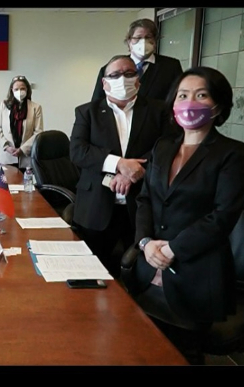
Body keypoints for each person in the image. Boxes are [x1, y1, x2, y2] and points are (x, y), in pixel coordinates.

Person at [130, 67, 244, 364]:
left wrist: (172, 248)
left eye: (201, 95)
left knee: (181, 356)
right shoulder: (163, 146)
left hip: (195, 276)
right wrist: (145, 242)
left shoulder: (231, 153)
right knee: (138, 349)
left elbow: (223, 216)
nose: (189, 101)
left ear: (217, 105)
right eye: (183, 95)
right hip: (147, 271)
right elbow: (145, 198)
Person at [69, 55, 172, 272]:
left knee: (139, 273)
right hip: (95, 207)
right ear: (104, 83)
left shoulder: (158, 110)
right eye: (115, 75)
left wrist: (132, 173)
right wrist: (118, 164)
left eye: (128, 73)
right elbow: (78, 151)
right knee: (91, 273)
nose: (122, 79)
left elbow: (167, 148)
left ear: (138, 80)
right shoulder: (87, 112)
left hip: (142, 207)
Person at [91, 18, 183, 105]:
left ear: (155, 40)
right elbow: (97, 103)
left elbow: (179, 98)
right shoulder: (111, 68)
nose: (143, 42)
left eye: (148, 37)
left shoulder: (171, 66)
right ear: (129, 41)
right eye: (138, 38)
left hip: (157, 119)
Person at [0, 76, 44, 170]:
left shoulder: (36, 107)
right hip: (7, 157)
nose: (19, 92)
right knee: (6, 184)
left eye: (22, 88)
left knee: (24, 184)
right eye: (16, 89)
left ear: (27, 89)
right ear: (12, 90)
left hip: (26, 158)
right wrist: (6, 146)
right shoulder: (4, 105)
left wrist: (22, 149)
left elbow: (38, 132)